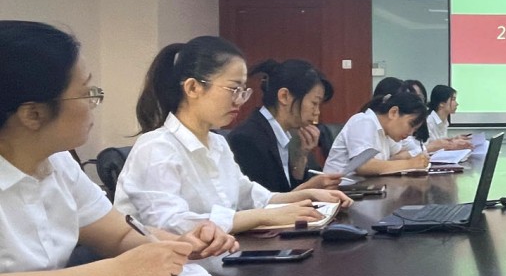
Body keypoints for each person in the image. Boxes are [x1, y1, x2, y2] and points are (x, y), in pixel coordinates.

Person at [0, 21, 237, 276]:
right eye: (86, 93)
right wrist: (118, 271)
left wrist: (179, 244)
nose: (94, 103)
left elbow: (119, 234)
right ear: (33, 114)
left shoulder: (58, 163)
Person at [116, 36, 352, 234]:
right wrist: (263, 217)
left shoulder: (217, 143)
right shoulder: (156, 148)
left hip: (221, 257)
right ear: (193, 88)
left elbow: (251, 196)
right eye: (233, 89)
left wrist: (309, 195)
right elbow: (168, 224)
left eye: (243, 90)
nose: (240, 100)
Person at [227, 59, 344, 193]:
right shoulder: (247, 138)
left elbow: (288, 188)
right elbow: (264, 201)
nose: (317, 112)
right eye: (314, 103)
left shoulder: (281, 133)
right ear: (284, 96)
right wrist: (312, 187)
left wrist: (301, 155)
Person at [324, 91, 430, 178]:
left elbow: (402, 151)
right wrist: (410, 164)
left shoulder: (386, 133)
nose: (411, 133)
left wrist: (416, 159)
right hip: (338, 189)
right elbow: (363, 165)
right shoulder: (364, 121)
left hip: (362, 189)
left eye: (415, 130)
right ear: (393, 113)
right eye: (411, 125)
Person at [426, 85, 472, 152]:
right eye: (453, 99)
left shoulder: (444, 121)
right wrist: (452, 145)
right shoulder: (428, 121)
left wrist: (454, 140)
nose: (456, 104)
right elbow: (425, 149)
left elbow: (441, 143)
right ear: (441, 104)